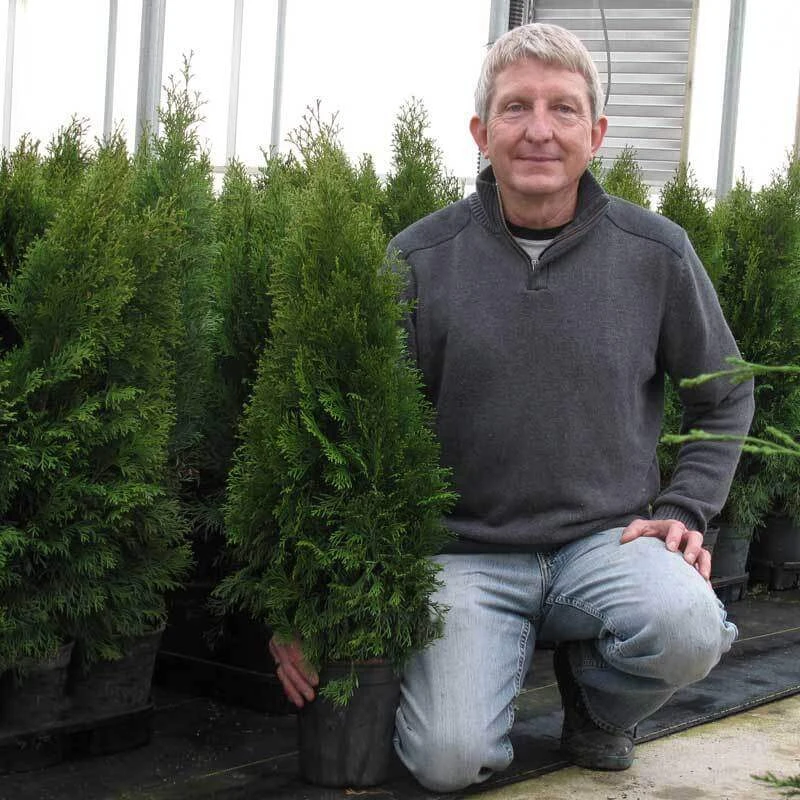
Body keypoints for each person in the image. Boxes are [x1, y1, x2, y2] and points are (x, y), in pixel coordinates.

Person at [269, 22, 755, 792]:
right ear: (480, 132)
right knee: (446, 763)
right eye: (516, 107)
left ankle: (597, 701)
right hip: (464, 555)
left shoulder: (656, 253)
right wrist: (311, 597)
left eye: (563, 109)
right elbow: (349, 438)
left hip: (607, 541)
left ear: (595, 134)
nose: (539, 130)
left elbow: (725, 392)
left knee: (689, 627)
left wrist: (685, 510)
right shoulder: (418, 259)